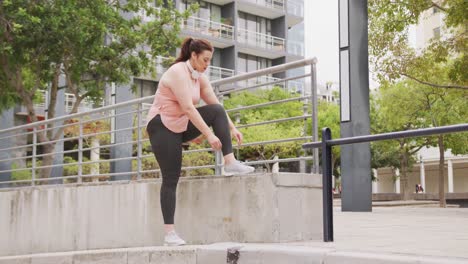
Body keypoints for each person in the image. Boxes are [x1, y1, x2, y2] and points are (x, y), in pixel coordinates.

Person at [146, 37, 255, 246]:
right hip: (161, 126)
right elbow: (188, 107)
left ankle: (230, 162)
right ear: (193, 56)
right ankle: (169, 234)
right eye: (205, 60)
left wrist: (233, 128)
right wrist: (209, 135)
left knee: (216, 111)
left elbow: (215, 105)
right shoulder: (178, 72)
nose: (207, 65)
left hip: (180, 124)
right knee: (171, 178)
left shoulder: (199, 77)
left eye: (209, 61)